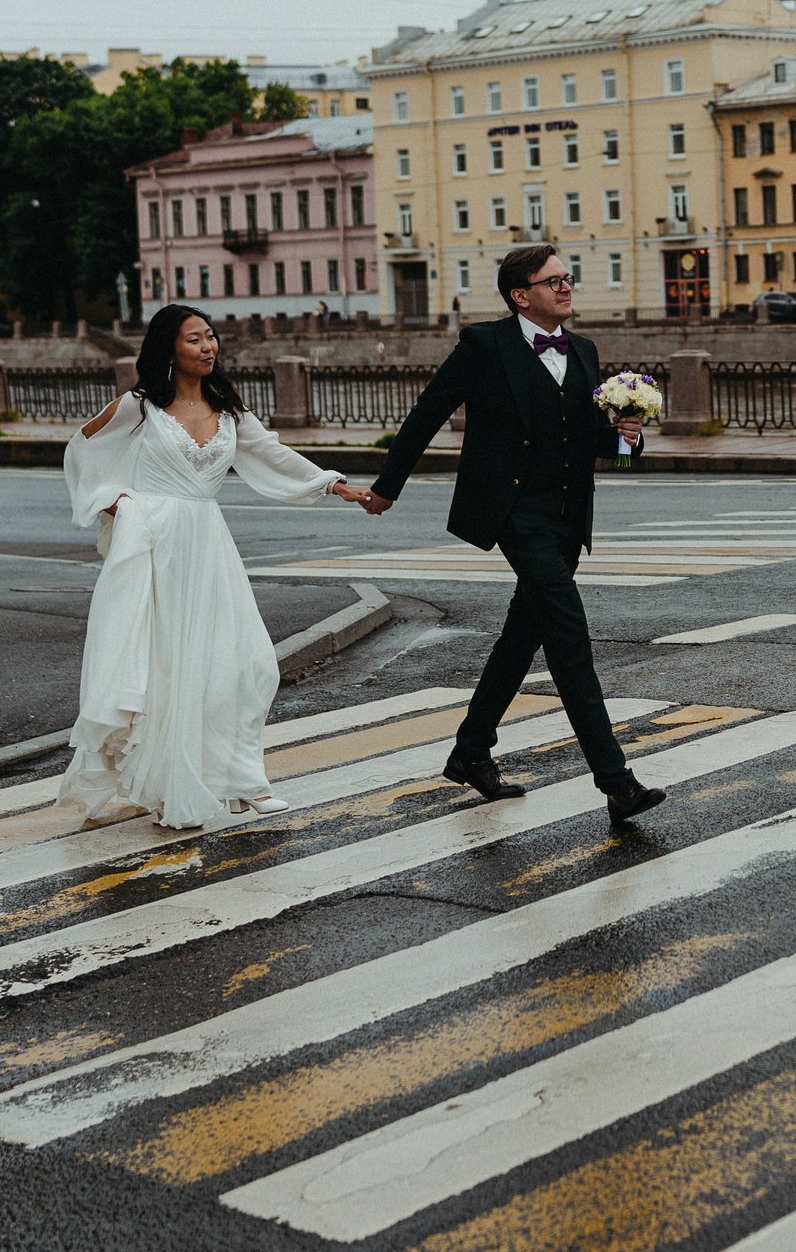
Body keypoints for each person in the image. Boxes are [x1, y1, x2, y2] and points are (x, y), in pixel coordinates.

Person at [356, 245, 661, 828]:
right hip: (515, 515)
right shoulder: (485, 346)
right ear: (522, 296)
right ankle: (616, 781)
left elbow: (595, 443)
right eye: (554, 282)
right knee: (570, 637)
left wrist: (627, 437)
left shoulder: (584, 350)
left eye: (567, 278)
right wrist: (387, 487)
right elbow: (428, 411)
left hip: (568, 518)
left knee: (524, 636)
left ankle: (471, 752)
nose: (566, 288)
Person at [62, 304, 376, 828]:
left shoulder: (229, 410)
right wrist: (118, 503)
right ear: (169, 349)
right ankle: (183, 782)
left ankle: (241, 776)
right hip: (155, 548)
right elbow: (82, 453)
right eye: (194, 339)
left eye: (211, 337)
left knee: (247, 664)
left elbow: (274, 456)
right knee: (166, 670)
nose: (208, 347)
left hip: (208, 547)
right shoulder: (137, 407)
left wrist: (336, 486)